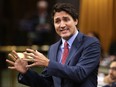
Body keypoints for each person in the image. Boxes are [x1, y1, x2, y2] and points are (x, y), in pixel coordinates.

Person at [6, 3, 101, 87]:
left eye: (66, 19)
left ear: (76, 21)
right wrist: (26, 72)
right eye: (57, 21)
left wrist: (48, 63)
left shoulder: (91, 43)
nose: (62, 25)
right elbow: (47, 83)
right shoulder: (53, 48)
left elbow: (80, 73)